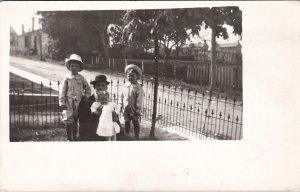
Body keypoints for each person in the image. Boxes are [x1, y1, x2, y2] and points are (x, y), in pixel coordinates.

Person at [59, 54, 91, 141]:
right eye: (72, 66)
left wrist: (87, 96)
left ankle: (75, 136)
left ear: (79, 68)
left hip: (78, 102)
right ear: (69, 67)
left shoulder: (81, 78)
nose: (74, 68)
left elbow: (87, 88)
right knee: (68, 119)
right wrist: (62, 102)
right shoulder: (67, 78)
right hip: (68, 102)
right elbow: (62, 91)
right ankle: (69, 137)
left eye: (76, 66)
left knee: (76, 119)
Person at [119, 64, 144, 140]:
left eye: (133, 76)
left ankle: (136, 135)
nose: (130, 78)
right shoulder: (125, 85)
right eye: (129, 76)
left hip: (134, 109)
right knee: (127, 121)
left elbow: (140, 100)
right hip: (126, 108)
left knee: (135, 122)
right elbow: (121, 95)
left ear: (137, 77)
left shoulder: (138, 88)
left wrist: (138, 110)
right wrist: (120, 105)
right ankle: (127, 134)